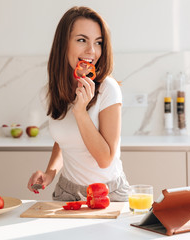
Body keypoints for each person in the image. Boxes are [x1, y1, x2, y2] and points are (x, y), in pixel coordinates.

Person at [27, 6, 129, 202]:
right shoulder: (50, 92)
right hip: (67, 192)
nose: (91, 51)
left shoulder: (108, 89)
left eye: (98, 42)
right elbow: (64, 139)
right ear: (63, 44)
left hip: (108, 193)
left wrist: (80, 112)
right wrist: (50, 173)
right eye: (82, 40)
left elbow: (105, 159)